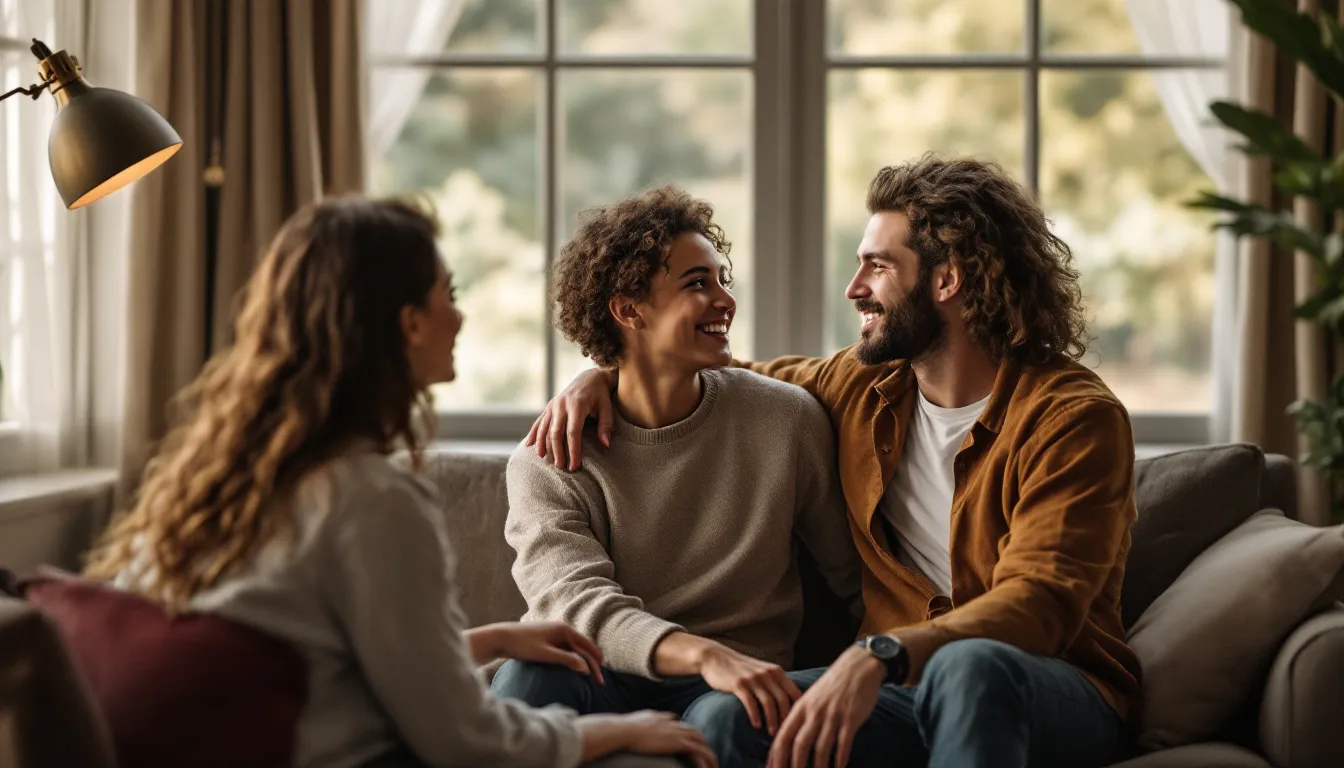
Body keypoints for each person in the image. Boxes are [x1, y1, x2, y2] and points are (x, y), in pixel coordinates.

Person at [526, 155, 1142, 768]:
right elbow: (702, 372)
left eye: (877, 267)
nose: (854, 290)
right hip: (900, 693)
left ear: (947, 279)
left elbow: (1040, 604)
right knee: (729, 715)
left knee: (970, 665)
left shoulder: (1072, 419)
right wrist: (601, 375)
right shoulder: (863, 387)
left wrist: (884, 653)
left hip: (1047, 688)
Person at [81, 196, 717, 768]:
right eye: (450, 293)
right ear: (409, 323)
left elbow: (302, 656)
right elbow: (465, 742)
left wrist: (491, 640)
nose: (461, 318)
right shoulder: (373, 499)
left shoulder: (228, 472)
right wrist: (618, 733)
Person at [492, 185, 863, 744]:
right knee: (528, 678)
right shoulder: (549, 458)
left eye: (722, 281)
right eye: (697, 283)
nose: (725, 300)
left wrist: (894, 667)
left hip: (736, 684)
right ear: (627, 310)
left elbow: (855, 576)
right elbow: (575, 606)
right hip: (604, 674)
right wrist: (703, 654)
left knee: (729, 721)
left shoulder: (786, 420)